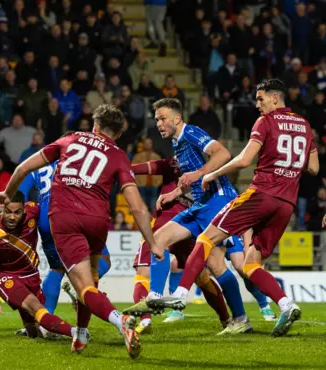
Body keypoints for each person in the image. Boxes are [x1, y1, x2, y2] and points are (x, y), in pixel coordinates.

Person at [152, 79, 319, 337]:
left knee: (206, 239)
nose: (257, 104)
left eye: (260, 98)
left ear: (275, 98)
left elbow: (243, 160)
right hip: (287, 203)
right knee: (251, 265)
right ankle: (286, 304)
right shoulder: (305, 126)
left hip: (261, 194)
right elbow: (313, 168)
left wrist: (210, 174)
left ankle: (180, 296)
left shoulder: (266, 122)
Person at [0, 104, 158, 359]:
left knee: (82, 286)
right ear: (118, 133)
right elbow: (137, 206)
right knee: (90, 281)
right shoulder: (119, 155)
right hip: (98, 220)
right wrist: (153, 243)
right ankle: (80, 336)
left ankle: (120, 320)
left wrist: (8, 193)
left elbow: (23, 168)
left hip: (65, 217)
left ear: (95, 125)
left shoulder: (70, 139)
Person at [123, 98, 253, 335]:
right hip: (202, 203)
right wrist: (174, 192)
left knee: (214, 262)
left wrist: (200, 172)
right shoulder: (177, 144)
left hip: (220, 199)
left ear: (176, 118)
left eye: (163, 118)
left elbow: (222, 154)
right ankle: (154, 296)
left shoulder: (191, 132)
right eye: (157, 119)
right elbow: (189, 181)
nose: (159, 123)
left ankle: (240, 317)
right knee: (159, 239)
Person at [128, 158, 230, 333]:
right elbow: (141, 168)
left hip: (170, 226)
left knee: (144, 272)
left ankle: (145, 322)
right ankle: (227, 320)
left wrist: (114, 167)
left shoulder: (176, 163)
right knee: (202, 277)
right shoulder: (202, 168)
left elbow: (137, 168)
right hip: (187, 226)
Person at [18, 157, 112, 317]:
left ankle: (45, 320)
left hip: (45, 218)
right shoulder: (79, 162)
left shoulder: (37, 164)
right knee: (103, 259)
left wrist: (23, 216)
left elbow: (20, 191)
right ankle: (81, 288)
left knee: (57, 268)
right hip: (75, 213)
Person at [0, 191, 78, 339]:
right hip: (6, 277)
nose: (12, 217)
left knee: (36, 330)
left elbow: (55, 213)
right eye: (8, 212)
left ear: (24, 210)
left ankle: (37, 331)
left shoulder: (33, 211)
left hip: (31, 274)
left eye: (17, 212)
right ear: (2, 209)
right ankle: (77, 332)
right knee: (35, 306)